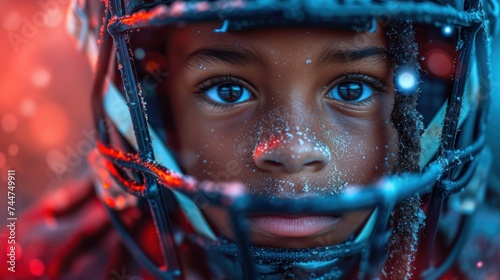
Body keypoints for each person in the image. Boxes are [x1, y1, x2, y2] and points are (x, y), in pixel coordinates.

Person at [9, 0, 500, 279]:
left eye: (352, 88)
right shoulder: (53, 265)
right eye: (228, 90)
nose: (292, 148)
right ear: (159, 113)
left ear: (436, 104)